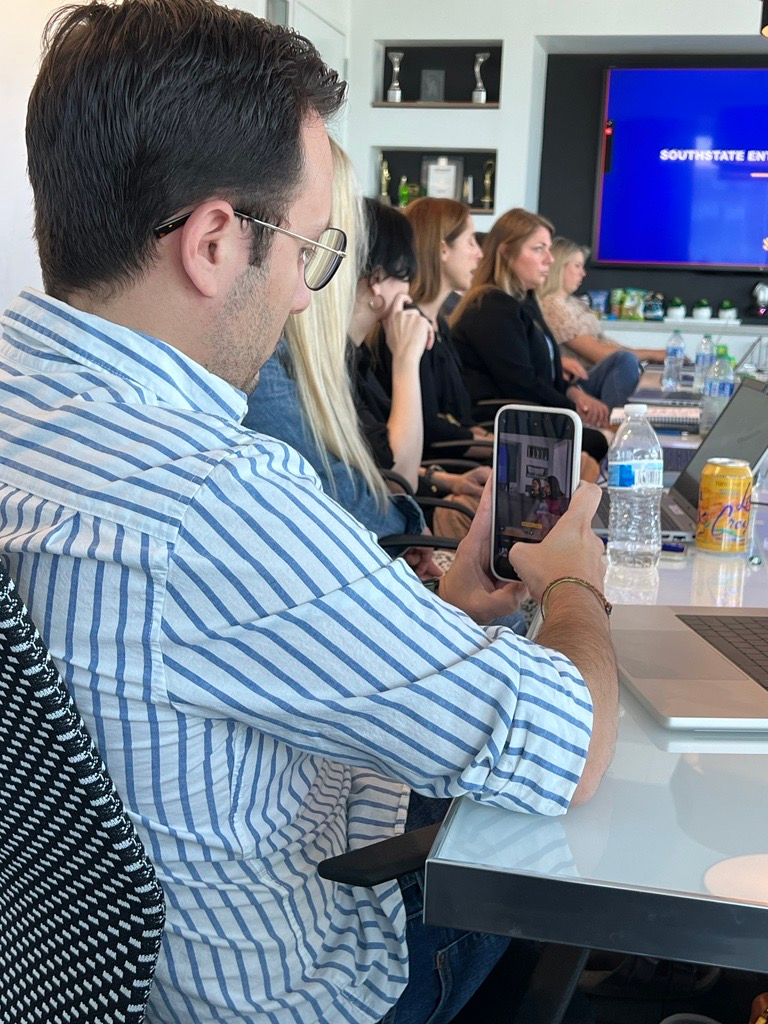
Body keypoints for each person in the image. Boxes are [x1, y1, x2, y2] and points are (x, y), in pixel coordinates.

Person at [0, 3, 618, 1022]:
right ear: (210, 241)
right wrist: (572, 584)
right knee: (551, 858)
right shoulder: (212, 494)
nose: (304, 294)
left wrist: (446, 619)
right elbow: (572, 744)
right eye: (308, 250)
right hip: (301, 987)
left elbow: (213, 663)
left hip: (93, 985)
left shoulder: (31, 415)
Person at [450, 208, 610, 463]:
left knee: (600, 437)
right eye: (538, 249)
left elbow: (541, 374)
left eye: (549, 249)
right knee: (597, 441)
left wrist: (573, 393)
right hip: (500, 422)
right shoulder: (492, 307)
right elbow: (521, 384)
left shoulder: (524, 300)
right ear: (506, 251)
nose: (549, 259)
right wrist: (574, 414)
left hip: (527, 413)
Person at [375, 196, 491, 461]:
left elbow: (454, 415)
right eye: (470, 241)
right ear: (442, 249)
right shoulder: (406, 325)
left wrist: (478, 435)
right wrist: (487, 443)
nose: (480, 253)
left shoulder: (439, 325)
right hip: (434, 466)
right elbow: (427, 427)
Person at [538, 237, 666, 408]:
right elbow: (599, 354)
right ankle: (619, 426)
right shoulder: (552, 305)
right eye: (577, 266)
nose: (583, 273)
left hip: (594, 376)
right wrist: (653, 354)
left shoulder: (572, 302)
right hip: (578, 382)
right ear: (558, 267)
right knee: (624, 359)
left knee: (631, 362)